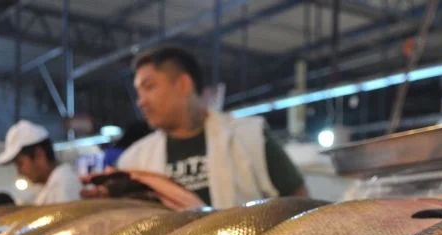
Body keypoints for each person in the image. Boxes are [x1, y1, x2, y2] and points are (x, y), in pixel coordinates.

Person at [81, 45, 308, 208]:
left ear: (183, 84)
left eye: (149, 87)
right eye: (138, 92)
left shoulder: (251, 136)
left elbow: (301, 202)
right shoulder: (134, 160)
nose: (140, 102)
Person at [0, 120, 81, 205]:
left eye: (20, 164)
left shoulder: (63, 187)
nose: (19, 172)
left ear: (39, 155)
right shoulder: (53, 187)